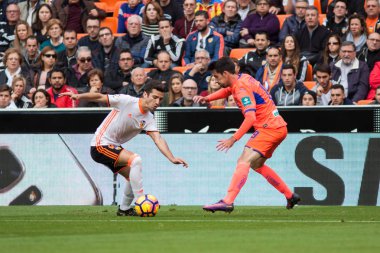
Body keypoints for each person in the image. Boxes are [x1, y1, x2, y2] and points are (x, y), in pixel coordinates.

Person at [60, 80, 188, 216]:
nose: (157, 102)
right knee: (136, 160)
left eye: (160, 99)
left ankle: (124, 209)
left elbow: (158, 139)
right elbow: (100, 97)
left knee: (133, 177)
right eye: (154, 97)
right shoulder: (127, 101)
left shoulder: (149, 118)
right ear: (145, 94)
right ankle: (141, 201)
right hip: (100, 145)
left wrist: (172, 158)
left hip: (112, 147)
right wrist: (79, 96)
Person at [193, 57, 300, 213]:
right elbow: (228, 90)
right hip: (278, 126)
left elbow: (250, 118)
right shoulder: (242, 78)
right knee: (257, 165)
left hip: (268, 128)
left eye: (216, 77)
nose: (215, 81)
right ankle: (290, 196)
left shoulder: (242, 88)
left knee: (243, 160)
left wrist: (233, 139)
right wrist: (207, 98)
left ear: (225, 73)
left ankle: (228, 201)